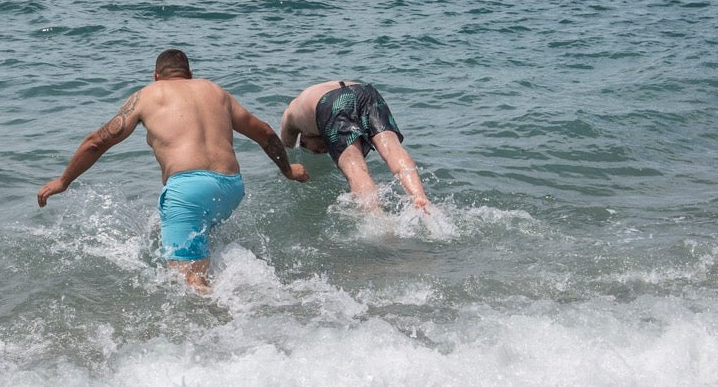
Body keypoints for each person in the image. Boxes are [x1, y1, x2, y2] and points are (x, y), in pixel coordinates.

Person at [37, 49, 308, 290]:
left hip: (188, 190)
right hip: (231, 188)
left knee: (187, 282)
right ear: (190, 74)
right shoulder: (215, 91)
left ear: (156, 76)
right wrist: (288, 170)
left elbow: (97, 142)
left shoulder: (147, 95)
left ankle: (223, 329)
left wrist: (64, 180)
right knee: (195, 242)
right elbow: (264, 132)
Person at [280, 80, 430, 212]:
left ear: (304, 137)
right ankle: (421, 198)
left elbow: (285, 152)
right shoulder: (306, 105)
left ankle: (378, 220)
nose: (322, 150)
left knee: (356, 169)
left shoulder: (289, 118)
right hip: (365, 91)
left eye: (317, 149)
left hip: (331, 102)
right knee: (392, 148)